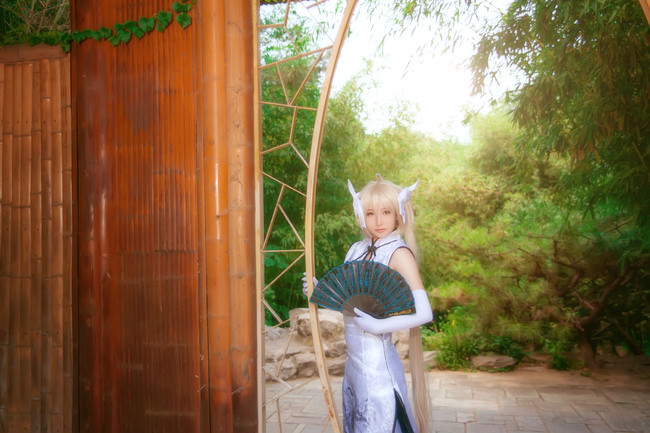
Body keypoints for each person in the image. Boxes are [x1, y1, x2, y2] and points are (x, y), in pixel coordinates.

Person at [303, 175, 432, 433]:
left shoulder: (399, 253)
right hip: (353, 369)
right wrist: (319, 291)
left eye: (386, 212)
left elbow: (425, 313)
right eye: (371, 213)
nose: (379, 221)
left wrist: (379, 326)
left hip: (379, 373)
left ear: (398, 214)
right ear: (361, 215)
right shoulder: (355, 250)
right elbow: (350, 305)